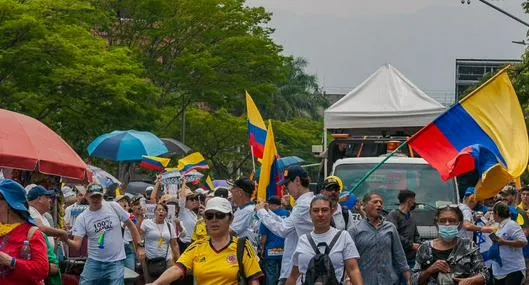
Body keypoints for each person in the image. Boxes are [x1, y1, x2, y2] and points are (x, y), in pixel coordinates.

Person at [148, 197, 263, 285]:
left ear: (230, 219)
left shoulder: (242, 247)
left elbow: (254, 279)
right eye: (209, 216)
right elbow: (178, 268)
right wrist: (156, 283)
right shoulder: (198, 246)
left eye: (220, 215)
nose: (214, 220)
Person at [66, 184, 145, 285]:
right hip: (94, 262)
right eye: (92, 196)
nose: (95, 199)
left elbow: (131, 225)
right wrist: (65, 239)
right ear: (87, 196)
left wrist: (139, 246)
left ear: (102, 196)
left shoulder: (113, 206)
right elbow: (77, 245)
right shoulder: (82, 217)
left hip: (115, 262)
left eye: (98, 196)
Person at [256, 165, 314, 284]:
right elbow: (287, 224)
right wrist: (269, 212)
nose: (286, 190)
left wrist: (261, 212)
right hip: (294, 265)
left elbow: (283, 230)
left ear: (297, 181)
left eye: (287, 185)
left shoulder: (304, 205)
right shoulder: (304, 203)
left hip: (297, 268)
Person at [286, 195, 363, 285]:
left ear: (331, 212)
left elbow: (353, 270)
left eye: (324, 210)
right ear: (310, 213)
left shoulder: (343, 237)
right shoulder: (303, 240)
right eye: (315, 210)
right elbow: (294, 275)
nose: (320, 214)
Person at [412, 204, 488, 285]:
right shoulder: (425, 248)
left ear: (459, 224)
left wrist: (470, 281)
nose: (447, 224)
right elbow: (413, 280)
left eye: (452, 221)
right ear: (436, 223)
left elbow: (485, 275)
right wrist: (429, 270)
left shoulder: (468, 246)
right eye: (442, 220)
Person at [349, 192, 410, 285]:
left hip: (388, 281)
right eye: (375, 202)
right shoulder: (355, 230)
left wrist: (409, 279)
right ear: (364, 205)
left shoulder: (390, 228)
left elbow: (400, 255)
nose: (379, 205)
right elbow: (350, 261)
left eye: (381, 203)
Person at [0, 179, 50, 285]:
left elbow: (42, 270)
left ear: (9, 206)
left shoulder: (32, 234)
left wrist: (11, 261)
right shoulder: (1, 230)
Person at [139, 203, 180, 281]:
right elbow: (138, 235)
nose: (161, 212)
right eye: (159, 210)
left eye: (163, 210)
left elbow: (174, 244)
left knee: (166, 282)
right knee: (150, 283)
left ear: (166, 214)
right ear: (155, 212)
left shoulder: (170, 226)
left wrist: (178, 261)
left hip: (167, 261)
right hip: (150, 261)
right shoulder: (146, 223)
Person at [386, 190, 420, 282]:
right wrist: (411, 245)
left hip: (410, 259)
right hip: (396, 260)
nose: (415, 203)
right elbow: (394, 235)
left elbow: (416, 234)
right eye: (414, 200)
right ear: (409, 201)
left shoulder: (411, 216)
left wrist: (419, 244)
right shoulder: (393, 215)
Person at [490, 202, 527, 285]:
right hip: (501, 271)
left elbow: (523, 242)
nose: (492, 215)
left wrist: (504, 242)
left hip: (513, 269)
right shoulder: (500, 226)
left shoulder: (511, 224)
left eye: (493, 213)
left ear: (497, 213)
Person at [260, 195, 289, 285]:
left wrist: (262, 249)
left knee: (271, 275)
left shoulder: (266, 216)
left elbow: (264, 236)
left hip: (271, 250)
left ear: (271, 205)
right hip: (285, 250)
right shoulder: (288, 214)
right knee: (283, 275)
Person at [229, 177, 259, 247]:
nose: (231, 192)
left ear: (240, 192)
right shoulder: (246, 208)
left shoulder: (246, 210)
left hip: (246, 252)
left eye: (232, 189)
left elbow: (230, 232)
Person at [177, 183, 199, 252]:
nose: (194, 201)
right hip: (184, 244)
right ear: (185, 202)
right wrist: (184, 183)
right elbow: (182, 199)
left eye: (195, 199)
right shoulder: (182, 211)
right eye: (192, 199)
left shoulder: (193, 214)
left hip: (193, 244)